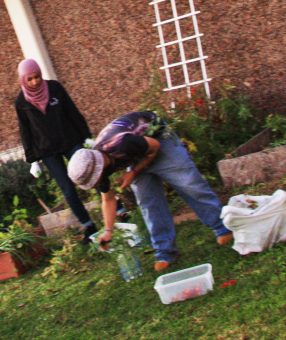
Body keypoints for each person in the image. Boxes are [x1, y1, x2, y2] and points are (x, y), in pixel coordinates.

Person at [67, 111, 233, 271]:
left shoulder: (121, 143)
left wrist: (132, 172)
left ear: (99, 167)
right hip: (135, 152)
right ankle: (165, 252)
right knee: (148, 202)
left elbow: (154, 147)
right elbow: (108, 199)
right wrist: (108, 231)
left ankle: (222, 227)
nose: (96, 183)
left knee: (188, 183)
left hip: (157, 139)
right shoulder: (97, 171)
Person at [15, 58, 97, 243]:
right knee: (68, 190)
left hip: (70, 141)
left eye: (37, 77)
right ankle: (89, 226)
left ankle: (118, 210)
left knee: (90, 173)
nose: (35, 82)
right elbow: (25, 131)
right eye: (30, 79)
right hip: (48, 151)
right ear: (23, 79)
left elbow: (72, 111)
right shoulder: (21, 101)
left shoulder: (55, 88)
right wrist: (33, 160)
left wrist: (86, 136)